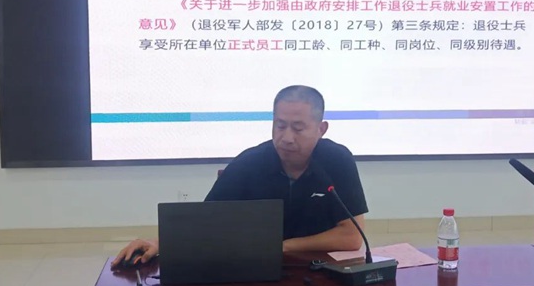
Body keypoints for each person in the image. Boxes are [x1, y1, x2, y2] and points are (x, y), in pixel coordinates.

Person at [111, 85, 368, 268]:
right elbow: (205, 220)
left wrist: (282, 246)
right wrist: (160, 242)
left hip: (319, 269)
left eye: (298, 128)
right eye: (280, 125)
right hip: (254, 268)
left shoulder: (337, 160)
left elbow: (351, 237)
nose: (287, 137)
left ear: (321, 129)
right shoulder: (250, 162)